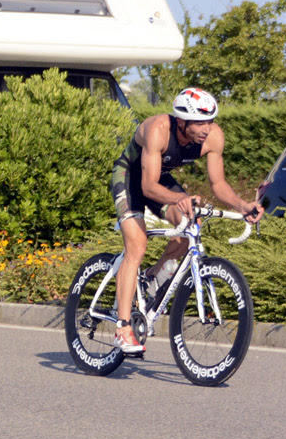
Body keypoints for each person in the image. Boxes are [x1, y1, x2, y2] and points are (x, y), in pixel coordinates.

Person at [107, 88, 262, 356]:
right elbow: (147, 186)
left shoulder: (213, 137)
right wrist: (180, 198)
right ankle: (122, 329)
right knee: (137, 245)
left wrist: (243, 205)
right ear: (181, 121)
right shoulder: (158, 128)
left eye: (211, 120)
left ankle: (153, 276)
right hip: (131, 177)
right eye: (200, 122)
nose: (207, 128)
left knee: (191, 225)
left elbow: (218, 184)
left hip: (161, 179)